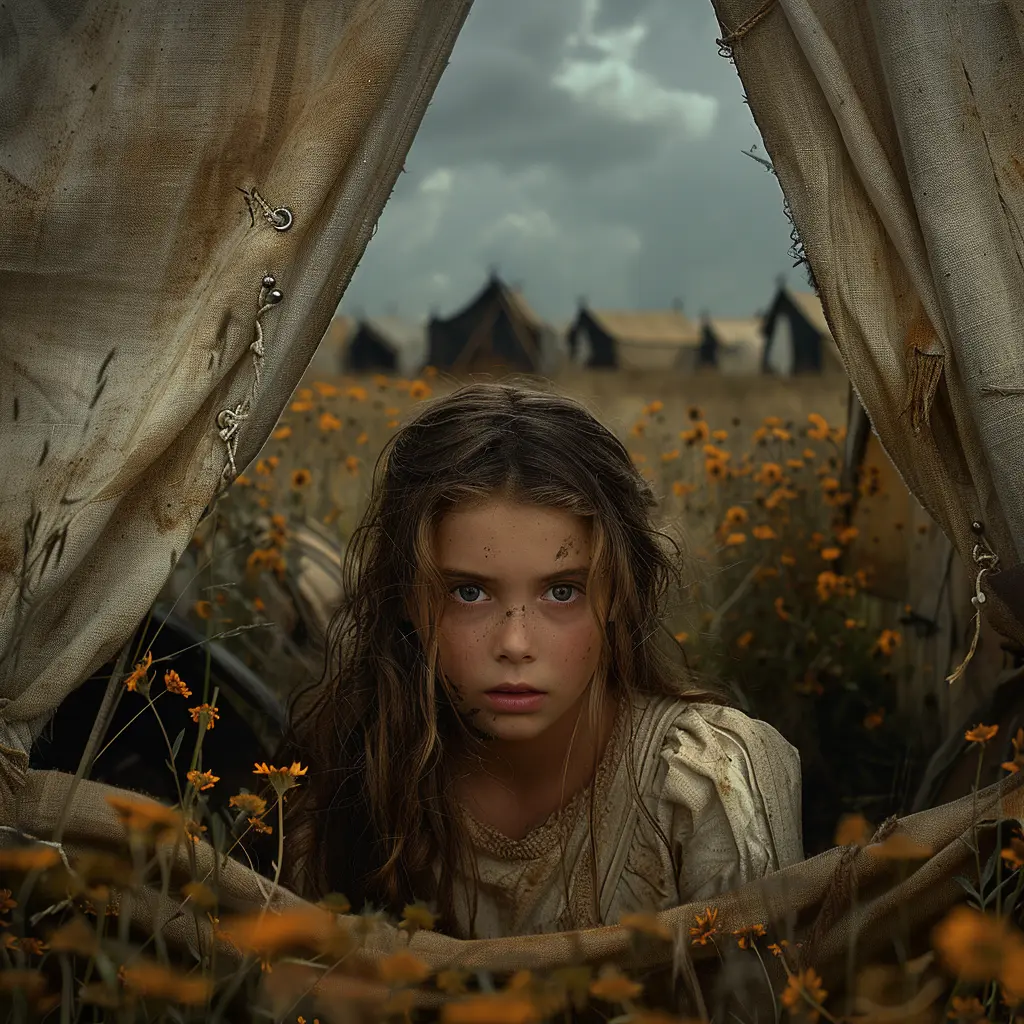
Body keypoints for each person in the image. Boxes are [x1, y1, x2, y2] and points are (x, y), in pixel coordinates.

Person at [282, 381, 803, 939]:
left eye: (562, 592)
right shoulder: (360, 768)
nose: (514, 643)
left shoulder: (703, 784)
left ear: (620, 597)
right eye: (468, 592)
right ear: (409, 598)